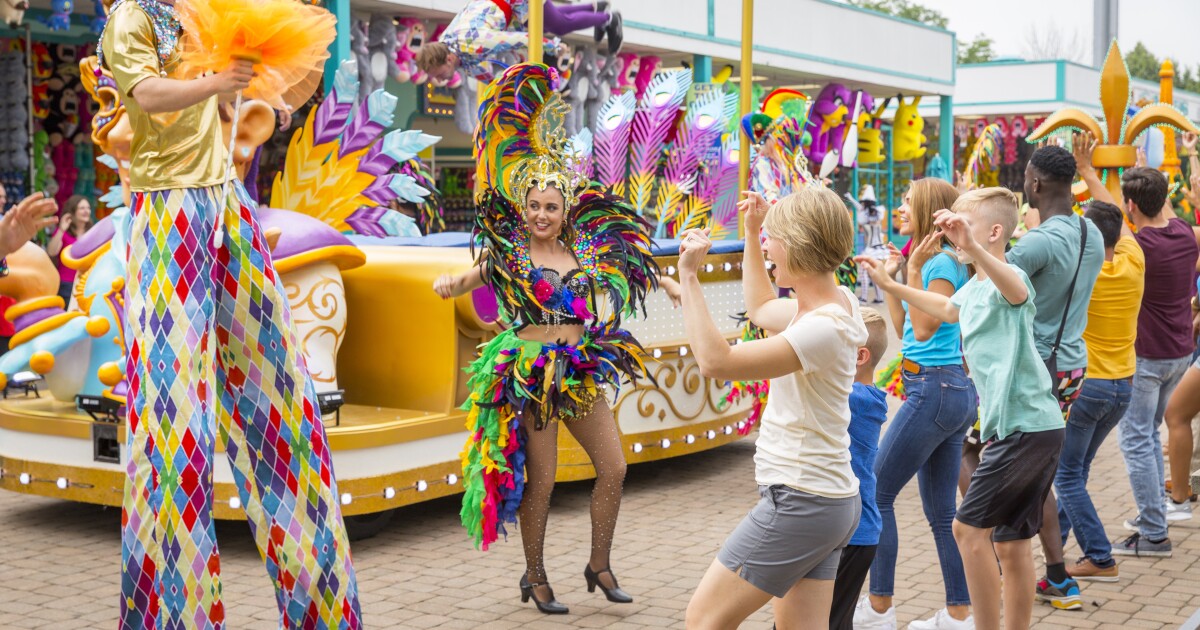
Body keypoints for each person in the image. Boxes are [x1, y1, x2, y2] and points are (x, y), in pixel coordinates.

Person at [97, 1, 361, 627]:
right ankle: (173, 616)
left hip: (226, 206)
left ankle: (323, 611)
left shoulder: (196, 15)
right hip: (165, 216)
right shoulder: (130, 17)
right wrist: (217, 84)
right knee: (174, 422)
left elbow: (209, 109)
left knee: (281, 399)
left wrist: (247, 94)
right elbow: (147, 94)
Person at [433, 63, 657, 615]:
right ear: (524, 207)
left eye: (549, 207)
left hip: (578, 368)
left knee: (614, 467)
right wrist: (450, 283)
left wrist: (676, 283)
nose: (539, 214)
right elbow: (473, 275)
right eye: (532, 206)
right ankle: (534, 577)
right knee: (545, 481)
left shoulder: (584, 251)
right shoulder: (510, 253)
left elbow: (635, 266)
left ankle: (598, 564)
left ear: (564, 211)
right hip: (533, 375)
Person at [859, 187, 1065, 630]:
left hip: (1027, 428)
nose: (953, 232)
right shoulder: (972, 286)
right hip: (1022, 430)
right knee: (1010, 546)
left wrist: (970, 247)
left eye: (963, 224)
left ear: (994, 233)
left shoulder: (1011, 278)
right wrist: (892, 284)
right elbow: (943, 311)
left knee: (967, 530)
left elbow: (1013, 291)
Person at [680, 187, 866, 630]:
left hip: (802, 500)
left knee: (703, 619)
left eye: (772, 236)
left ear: (800, 243)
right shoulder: (836, 303)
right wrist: (750, 229)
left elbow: (715, 363)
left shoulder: (822, 327)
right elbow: (761, 308)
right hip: (827, 502)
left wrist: (688, 276)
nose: (766, 244)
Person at [956, 144, 1102, 609]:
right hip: (1073, 364)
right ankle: (1047, 568)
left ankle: (1010, 553)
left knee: (1016, 465)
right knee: (1037, 469)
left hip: (1034, 365)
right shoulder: (1091, 232)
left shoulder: (1037, 242)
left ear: (1035, 184)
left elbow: (996, 287)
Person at [857, 178, 976, 630]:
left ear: (928, 210)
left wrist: (905, 274)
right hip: (941, 390)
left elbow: (926, 330)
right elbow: (904, 324)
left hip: (935, 390)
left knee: (876, 491)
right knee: (942, 513)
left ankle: (880, 608)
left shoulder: (942, 262)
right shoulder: (928, 261)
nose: (899, 207)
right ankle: (959, 614)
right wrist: (890, 277)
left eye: (907, 201)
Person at [1049, 199, 1142, 586]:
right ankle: (1055, 548)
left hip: (1089, 388)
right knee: (1077, 471)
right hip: (1123, 387)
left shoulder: (1081, 274)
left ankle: (1100, 557)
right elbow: (1119, 224)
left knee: (1066, 476)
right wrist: (1089, 172)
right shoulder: (1135, 262)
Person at [1113, 166, 1200, 557]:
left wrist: (1087, 170)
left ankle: (1153, 531)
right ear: (1164, 197)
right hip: (1179, 354)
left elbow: (1109, 207)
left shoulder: (1140, 244)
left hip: (1148, 358)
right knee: (1148, 435)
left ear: (1131, 205)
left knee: (1137, 439)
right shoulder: (1184, 232)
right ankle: (1153, 519)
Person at [830, 308, 889, 630]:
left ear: (859, 356)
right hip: (857, 532)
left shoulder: (854, 398)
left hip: (855, 534)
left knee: (827, 620)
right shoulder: (861, 394)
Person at [418, 0, 622, 83]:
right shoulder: (447, 44)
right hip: (506, 12)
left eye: (439, 75)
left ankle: (609, 19)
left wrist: (554, 46)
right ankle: (593, 9)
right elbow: (490, 80)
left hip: (513, 3)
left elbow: (521, 40)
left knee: (557, 26)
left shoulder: (473, 42)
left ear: (449, 60)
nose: (439, 80)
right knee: (550, 21)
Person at [46, 195, 93, 306]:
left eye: (88, 208)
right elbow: (52, 252)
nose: (86, 211)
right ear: (72, 211)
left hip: (87, 284)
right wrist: (62, 229)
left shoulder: (92, 232)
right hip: (66, 284)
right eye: (82, 208)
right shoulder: (63, 232)